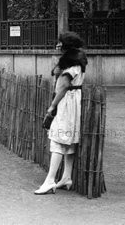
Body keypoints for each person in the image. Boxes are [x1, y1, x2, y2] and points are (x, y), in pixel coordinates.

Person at [35, 31, 87, 195]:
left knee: (58, 140)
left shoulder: (70, 65)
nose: (57, 45)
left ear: (66, 46)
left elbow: (63, 86)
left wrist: (52, 106)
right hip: (74, 102)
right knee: (69, 140)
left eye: (60, 43)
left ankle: (50, 180)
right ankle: (66, 177)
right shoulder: (78, 62)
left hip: (66, 103)